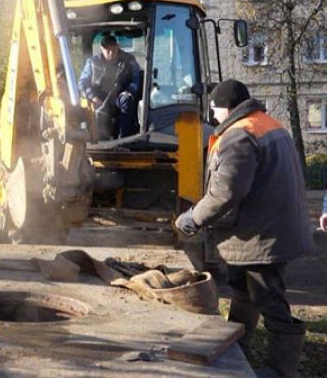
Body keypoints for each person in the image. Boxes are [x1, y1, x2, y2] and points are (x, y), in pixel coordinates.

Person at [175, 79, 313, 377]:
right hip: (269, 228)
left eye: (214, 110)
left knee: (270, 301)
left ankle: (280, 370)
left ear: (227, 108)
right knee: (244, 292)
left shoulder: (239, 136)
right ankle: (238, 351)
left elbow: (226, 192)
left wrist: (191, 219)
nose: (213, 117)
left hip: (261, 237)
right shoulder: (266, 124)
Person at [77, 34, 142, 139]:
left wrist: (129, 91)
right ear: (102, 48)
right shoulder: (92, 62)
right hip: (99, 97)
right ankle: (98, 138)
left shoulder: (129, 60)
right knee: (92, 108)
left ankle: (125, 138)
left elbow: (137, 78)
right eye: (107, 50)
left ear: (117, 47)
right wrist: (93, 97)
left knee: (127, 100)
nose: (111, 53)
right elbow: (82, 83)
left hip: (120, 95)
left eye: (113, 49)